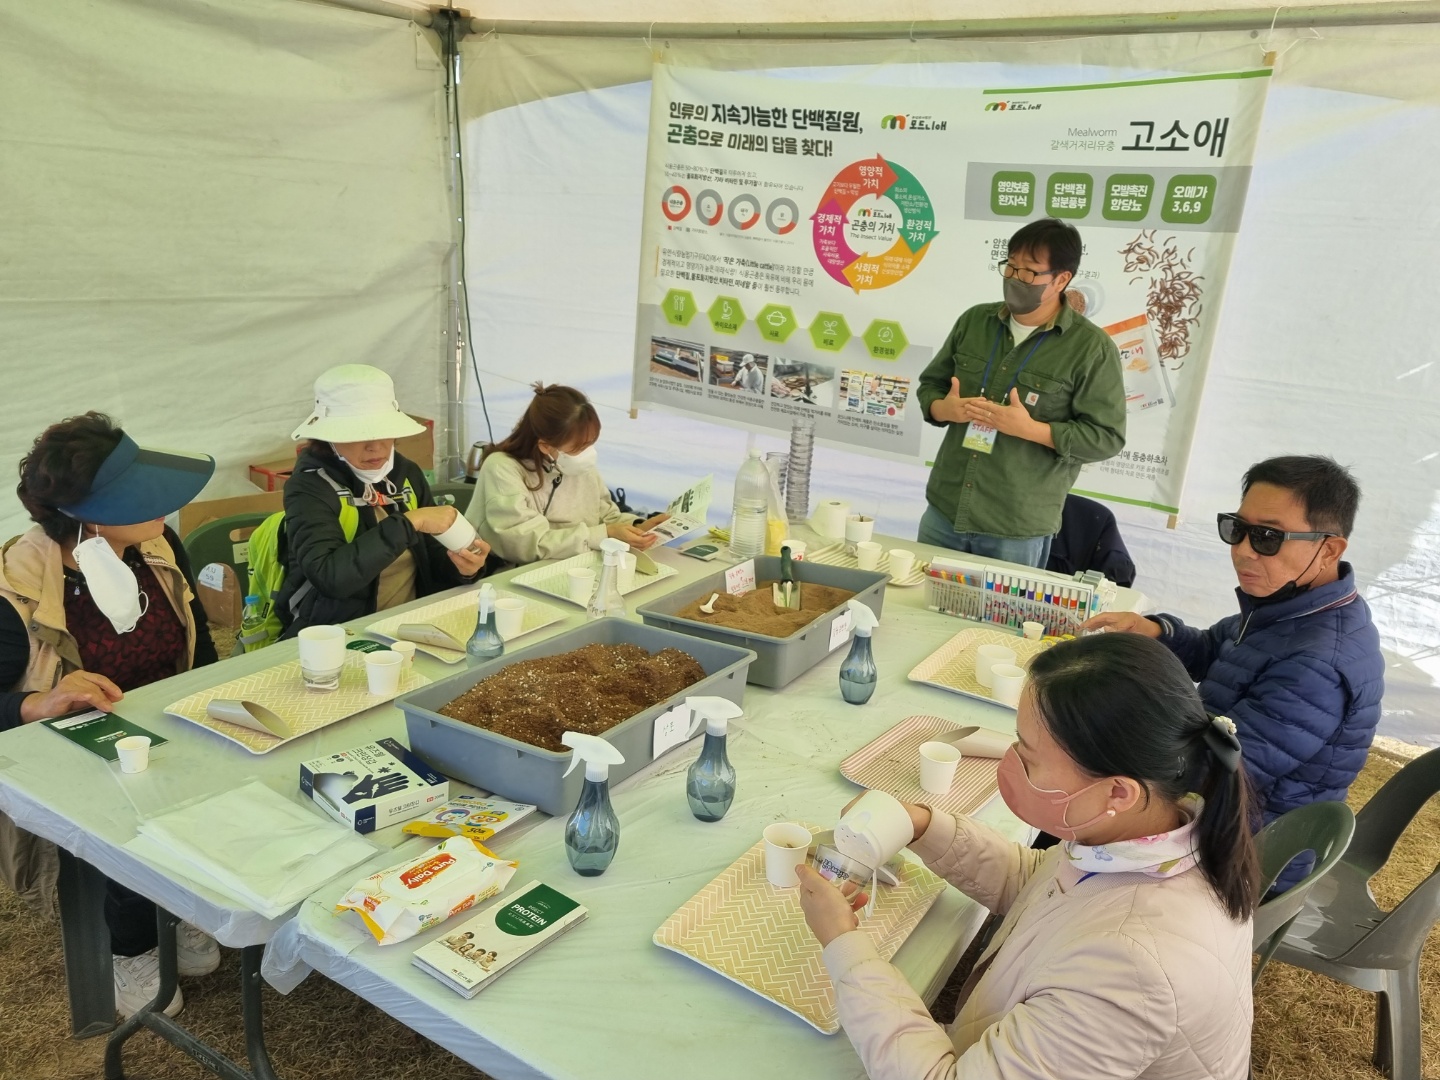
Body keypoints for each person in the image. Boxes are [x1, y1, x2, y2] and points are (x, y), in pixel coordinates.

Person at [798, 634, 1258, 1080]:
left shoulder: (1130, 973)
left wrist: (844, 944)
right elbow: (1042, 884)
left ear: (1117, 790)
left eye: (1028, 753)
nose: (1010, 758)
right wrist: (921, 824)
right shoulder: (1150, 835)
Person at [0, 413, 221, 1018]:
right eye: (142, 494)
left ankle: (180, 909)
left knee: (216, 797)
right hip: (78, 747)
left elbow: (199, 642)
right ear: (91, 513)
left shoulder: (155, 545)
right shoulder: (18, 584)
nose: (165, 508)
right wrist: (34, 702)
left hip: (165, 722)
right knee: (130, 829)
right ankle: (133, 948)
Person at [1084, 455, 1383, 887]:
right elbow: (1216, 650)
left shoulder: (1319, 661)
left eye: (1267, 536)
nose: (1242, 549)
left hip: (1251, 854)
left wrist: (1114, 733)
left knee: (1074, 795)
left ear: (1329, 548)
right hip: (1222, 814)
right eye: (1236, 529)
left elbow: (1220, 771)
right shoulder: (1289, 608)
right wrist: (1154, 631)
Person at [915, 218, 1126, 568]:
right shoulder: (974, 322)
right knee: (918, 612)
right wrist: (943, 409)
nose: (1015, 278)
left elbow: (1107, 437)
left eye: (1029, 272)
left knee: (999, 624)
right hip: (945, 510)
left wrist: (1030, 429)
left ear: (1061, 279)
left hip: (1014, 526)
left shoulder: (1091, 348)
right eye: (1010, 266)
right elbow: (930, 387)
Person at [279, 365, 489, 637]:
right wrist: (411, 521)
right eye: (357, 434)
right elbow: (331, 578)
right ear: (329, 437)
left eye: (384, 431)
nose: (375, 446)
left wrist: (464, 567)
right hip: (343, 636)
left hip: (411, 625)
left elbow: (430, 556)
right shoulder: (308, 488)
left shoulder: (406, 473)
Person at [463, 383, 658, 566]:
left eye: (590, 444)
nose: (587, 454)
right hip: (509, 572)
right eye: (579, 447)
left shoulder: (579, 467)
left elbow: (606, 516)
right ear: (545, 446)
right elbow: (525, 543)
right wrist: (602, 535)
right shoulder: (502, 469)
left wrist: (639, 527)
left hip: (571, 565)